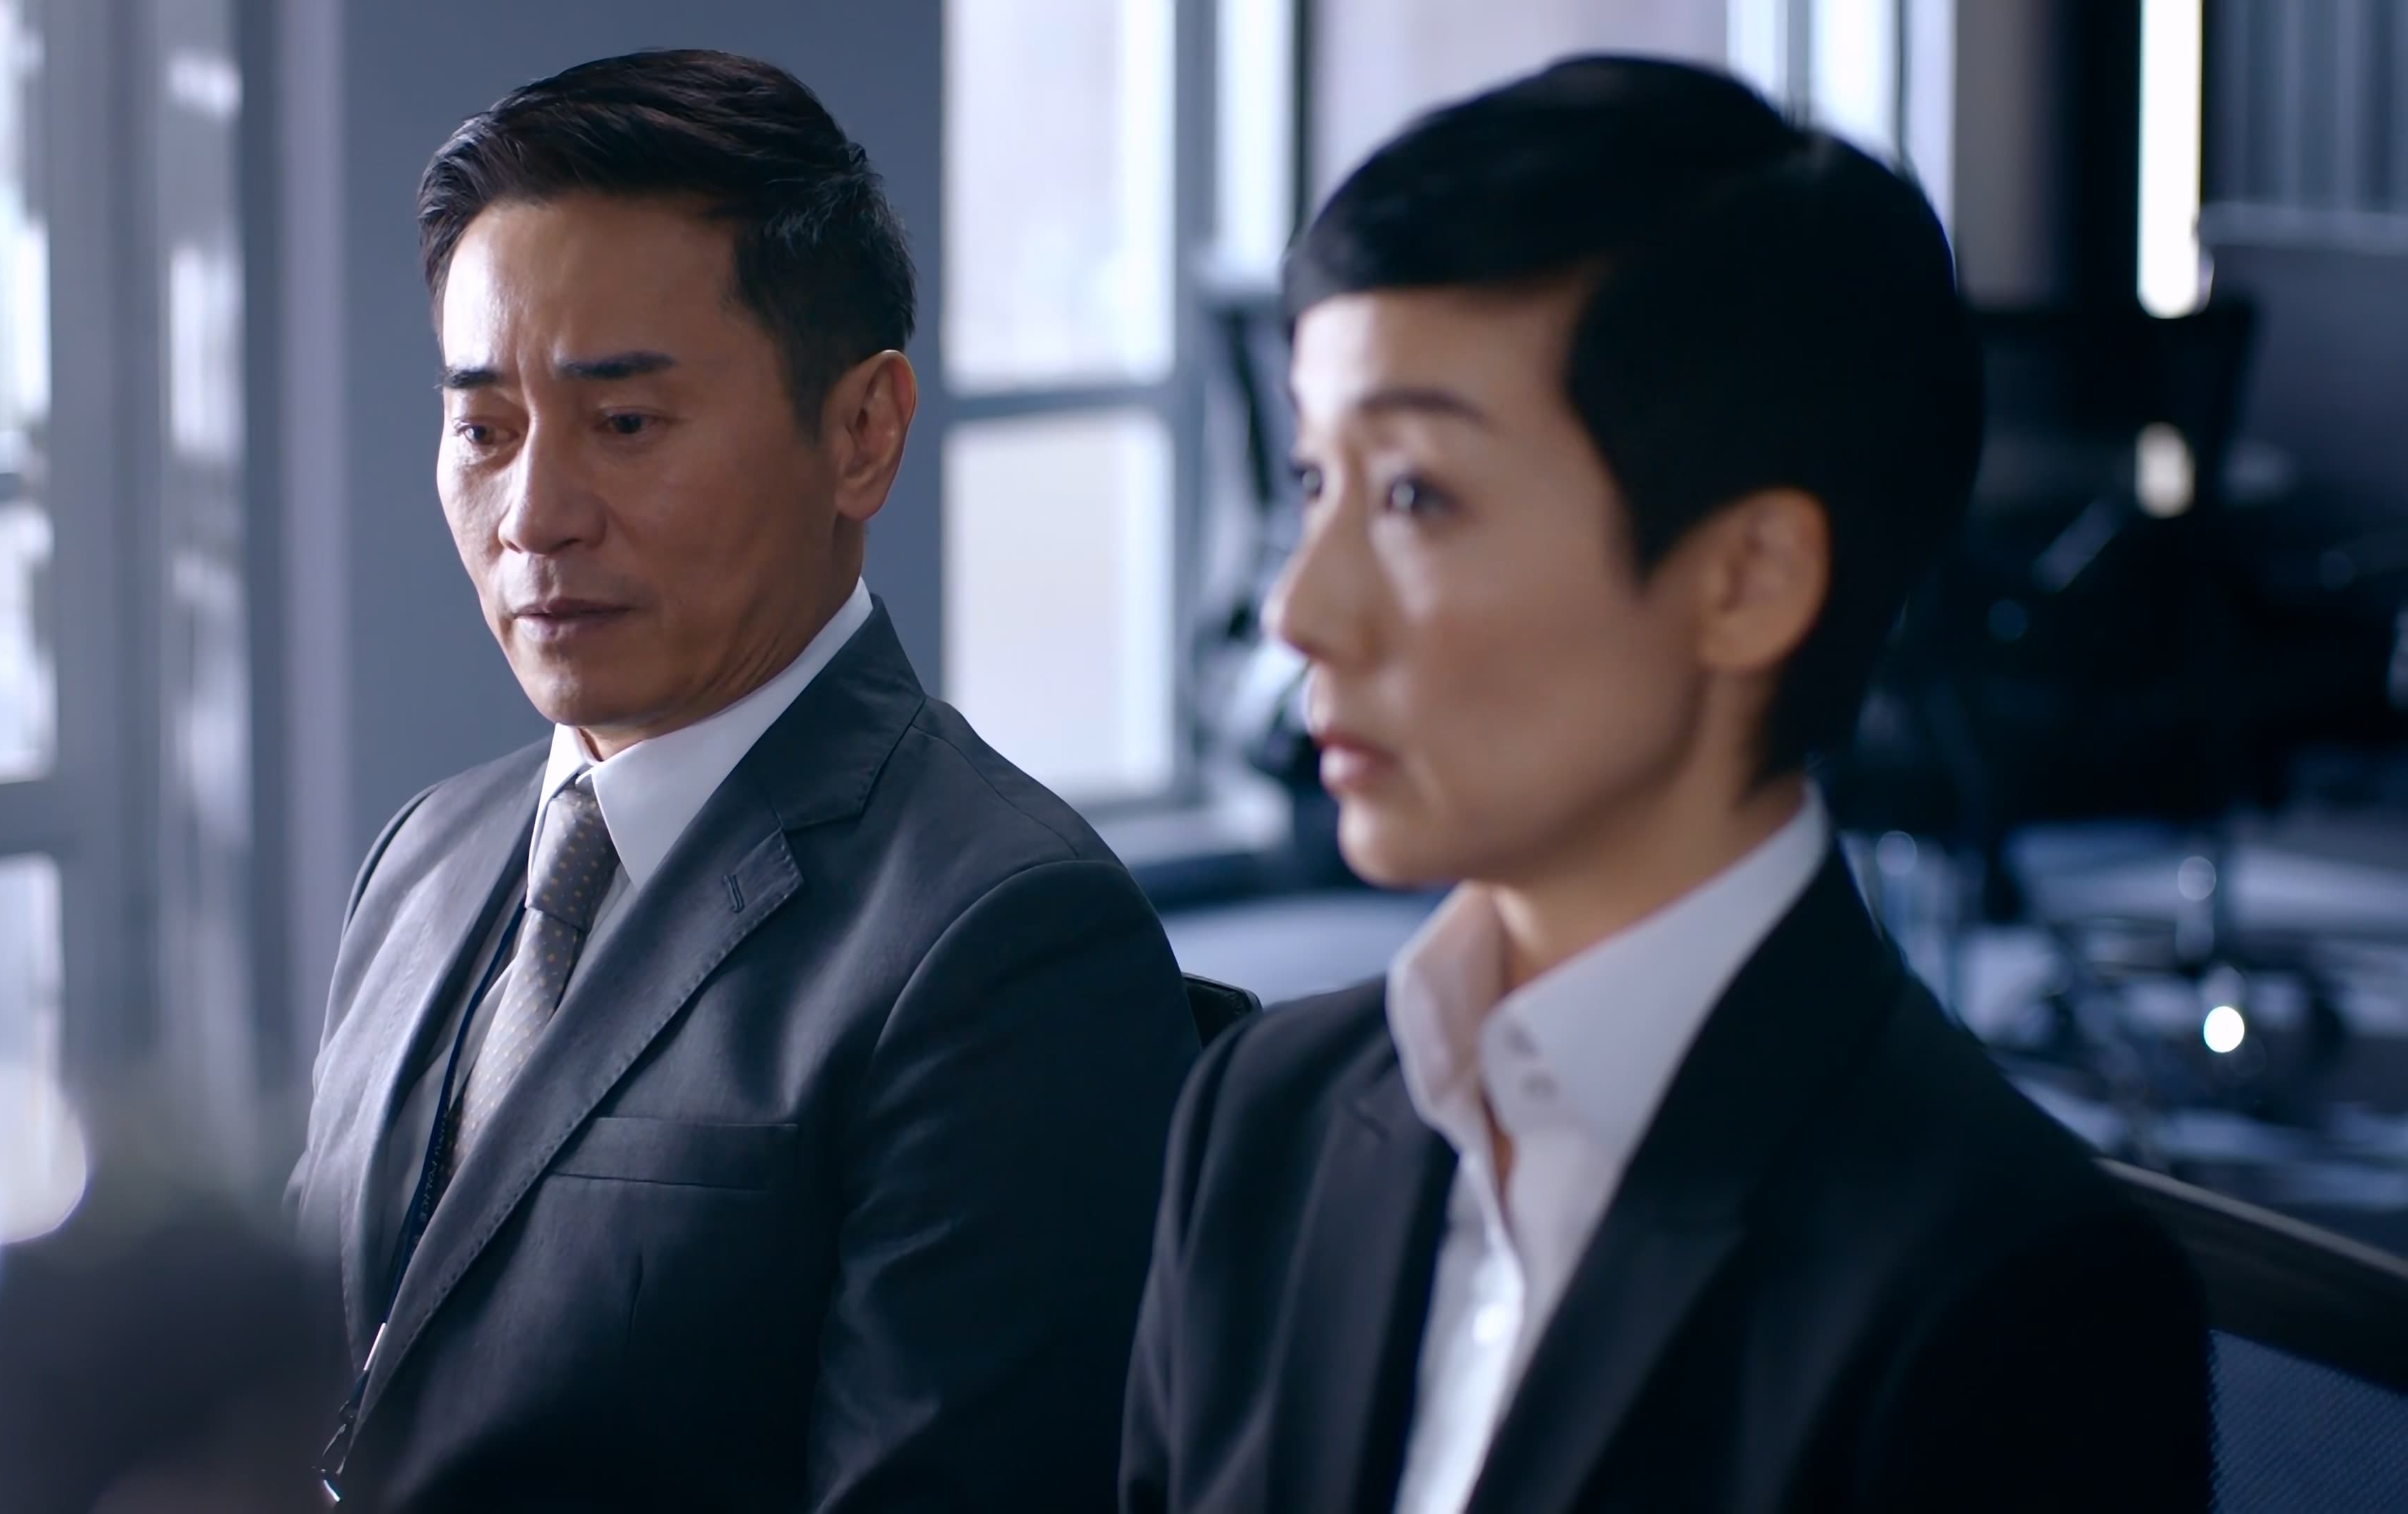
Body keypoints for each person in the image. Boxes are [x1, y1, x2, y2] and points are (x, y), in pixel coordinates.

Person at [1121, 57, 2210, 1514]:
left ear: (1748, 580)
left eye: (1416, 496)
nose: (1299, 610)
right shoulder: (1264, 1117)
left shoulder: (2013, 1297)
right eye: (1317, 483)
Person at [286, 50, 1199, 1511]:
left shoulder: (1008, 939)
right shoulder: (424, 858)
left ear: (862, 434)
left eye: (625, 425)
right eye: (484, 429)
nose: (535, 516)